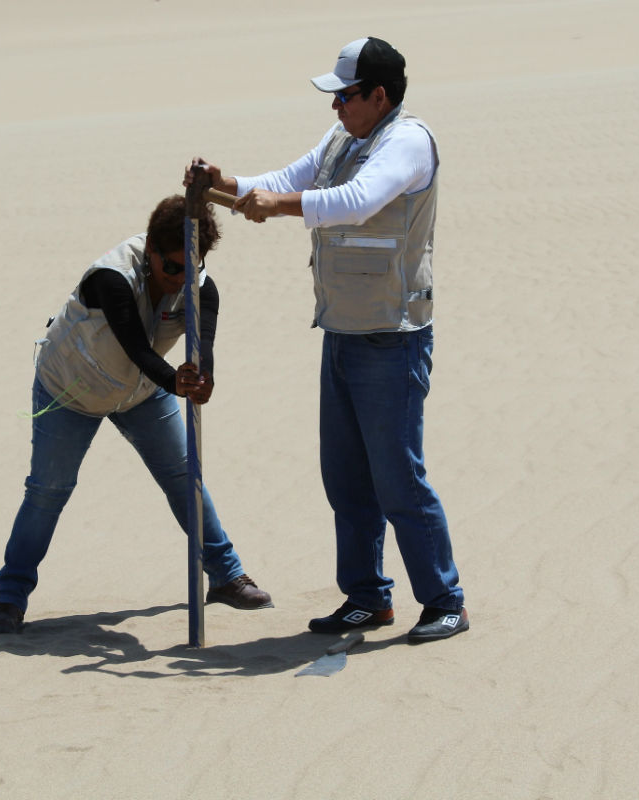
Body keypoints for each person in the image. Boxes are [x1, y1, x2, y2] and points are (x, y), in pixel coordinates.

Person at [185, 37, 467, 644]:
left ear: (379, 95)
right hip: (341, 332)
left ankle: (444, 599)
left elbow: (356, 203)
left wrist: (279, 207)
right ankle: (367, 597)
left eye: (345, 96)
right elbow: (287, 178)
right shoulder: (343, 139)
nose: (335, 107)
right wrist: (226, 183)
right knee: (345, 477)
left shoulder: (409, 142)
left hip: (393, 337)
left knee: (398, 478)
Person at [0, 195, 272, 634]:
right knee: (48, 491)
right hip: (70, 389)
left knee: (184, 476)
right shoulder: (111, 279)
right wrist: (175, 382)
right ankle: (9, 599)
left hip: (139, 393)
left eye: (189, 268)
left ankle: (227, 576)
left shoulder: (202, 288)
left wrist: (203, 378)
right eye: (170, 268)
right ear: (150, 251)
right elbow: (135, 347)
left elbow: (203, 348)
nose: (179, 279)